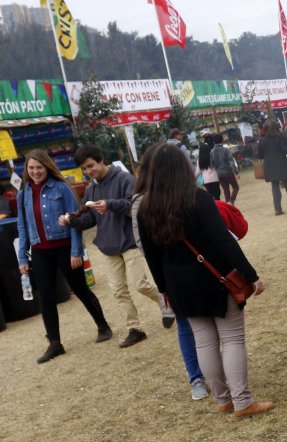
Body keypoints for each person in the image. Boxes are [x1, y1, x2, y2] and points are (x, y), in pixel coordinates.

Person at [138, 143, 272, 419]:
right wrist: (250, 274)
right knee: (232, 339)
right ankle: (242, 401)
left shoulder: (145, 208)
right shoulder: (196, 198)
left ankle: (223, 399)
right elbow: (224, 241)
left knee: (204, 342)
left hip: (178, 285)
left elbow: (151, 255)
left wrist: (163, 288)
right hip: (214, 278)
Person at [64, 144, 173, 348]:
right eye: (85, 169)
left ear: (101, 160)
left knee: (140, 284)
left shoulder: (125, 179)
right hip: (107, 245)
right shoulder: (91, 189)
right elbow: (89, 220)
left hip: (131, 241)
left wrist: (110, 204)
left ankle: (169, 303)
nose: (89, 172)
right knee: (119, 291)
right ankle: (135, 329)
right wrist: (71, 220)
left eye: (91, 166)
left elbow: (136, 207)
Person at [16, 150, 112, 364]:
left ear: (47, 167)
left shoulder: (61, 188)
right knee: (46, 297)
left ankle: (103, 326)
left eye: (39, 167)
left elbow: (75, 220)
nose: (35, 172)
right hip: (40, 251)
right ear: (27, 170)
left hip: (65, 248)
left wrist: (76, 251)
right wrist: (22, 258)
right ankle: (55, 343)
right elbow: (22, 227)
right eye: (31, 168)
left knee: (81, 289)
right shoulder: (23, 193)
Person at [131, 144, 208, 400]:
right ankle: (197, 377)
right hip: (174, 274)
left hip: (190, 272)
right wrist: (163, 284)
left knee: (205, 326)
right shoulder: (143, 203)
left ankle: (211, 374)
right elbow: (145, 246)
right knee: (187, 327)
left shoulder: (182, 194)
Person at [210, 134, 240, 204]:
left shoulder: (211, 152)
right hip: (228, 171)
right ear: (222, 141)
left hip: (219, 173)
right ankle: (231, 200)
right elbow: (231, 162)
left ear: (214, 142)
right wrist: (236, 172)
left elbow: (212, 164)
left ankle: (228, 205)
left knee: (226, 190)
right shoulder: (225, 150)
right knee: (235, 187)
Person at [196, 134, 220, 200]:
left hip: (206, 181)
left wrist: (193, 179)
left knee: (210, 197)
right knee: (217, 197)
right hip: (215, 179)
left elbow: (198, 172)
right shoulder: (212, 157)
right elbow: (217, 166)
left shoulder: (199, 160)